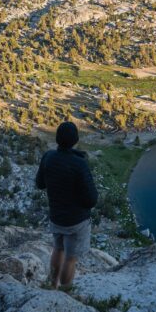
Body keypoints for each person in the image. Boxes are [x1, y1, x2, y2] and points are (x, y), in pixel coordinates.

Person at [35, 121, 98, 288]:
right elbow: (91, 200)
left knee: (58, 249)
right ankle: (65, 293)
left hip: (56, 217)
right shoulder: (79, 164)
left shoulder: (48, 156)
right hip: (76, 221)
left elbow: (40, 183)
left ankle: (52, 284)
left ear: (57, 139)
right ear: (75, 140)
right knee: (71, 258)